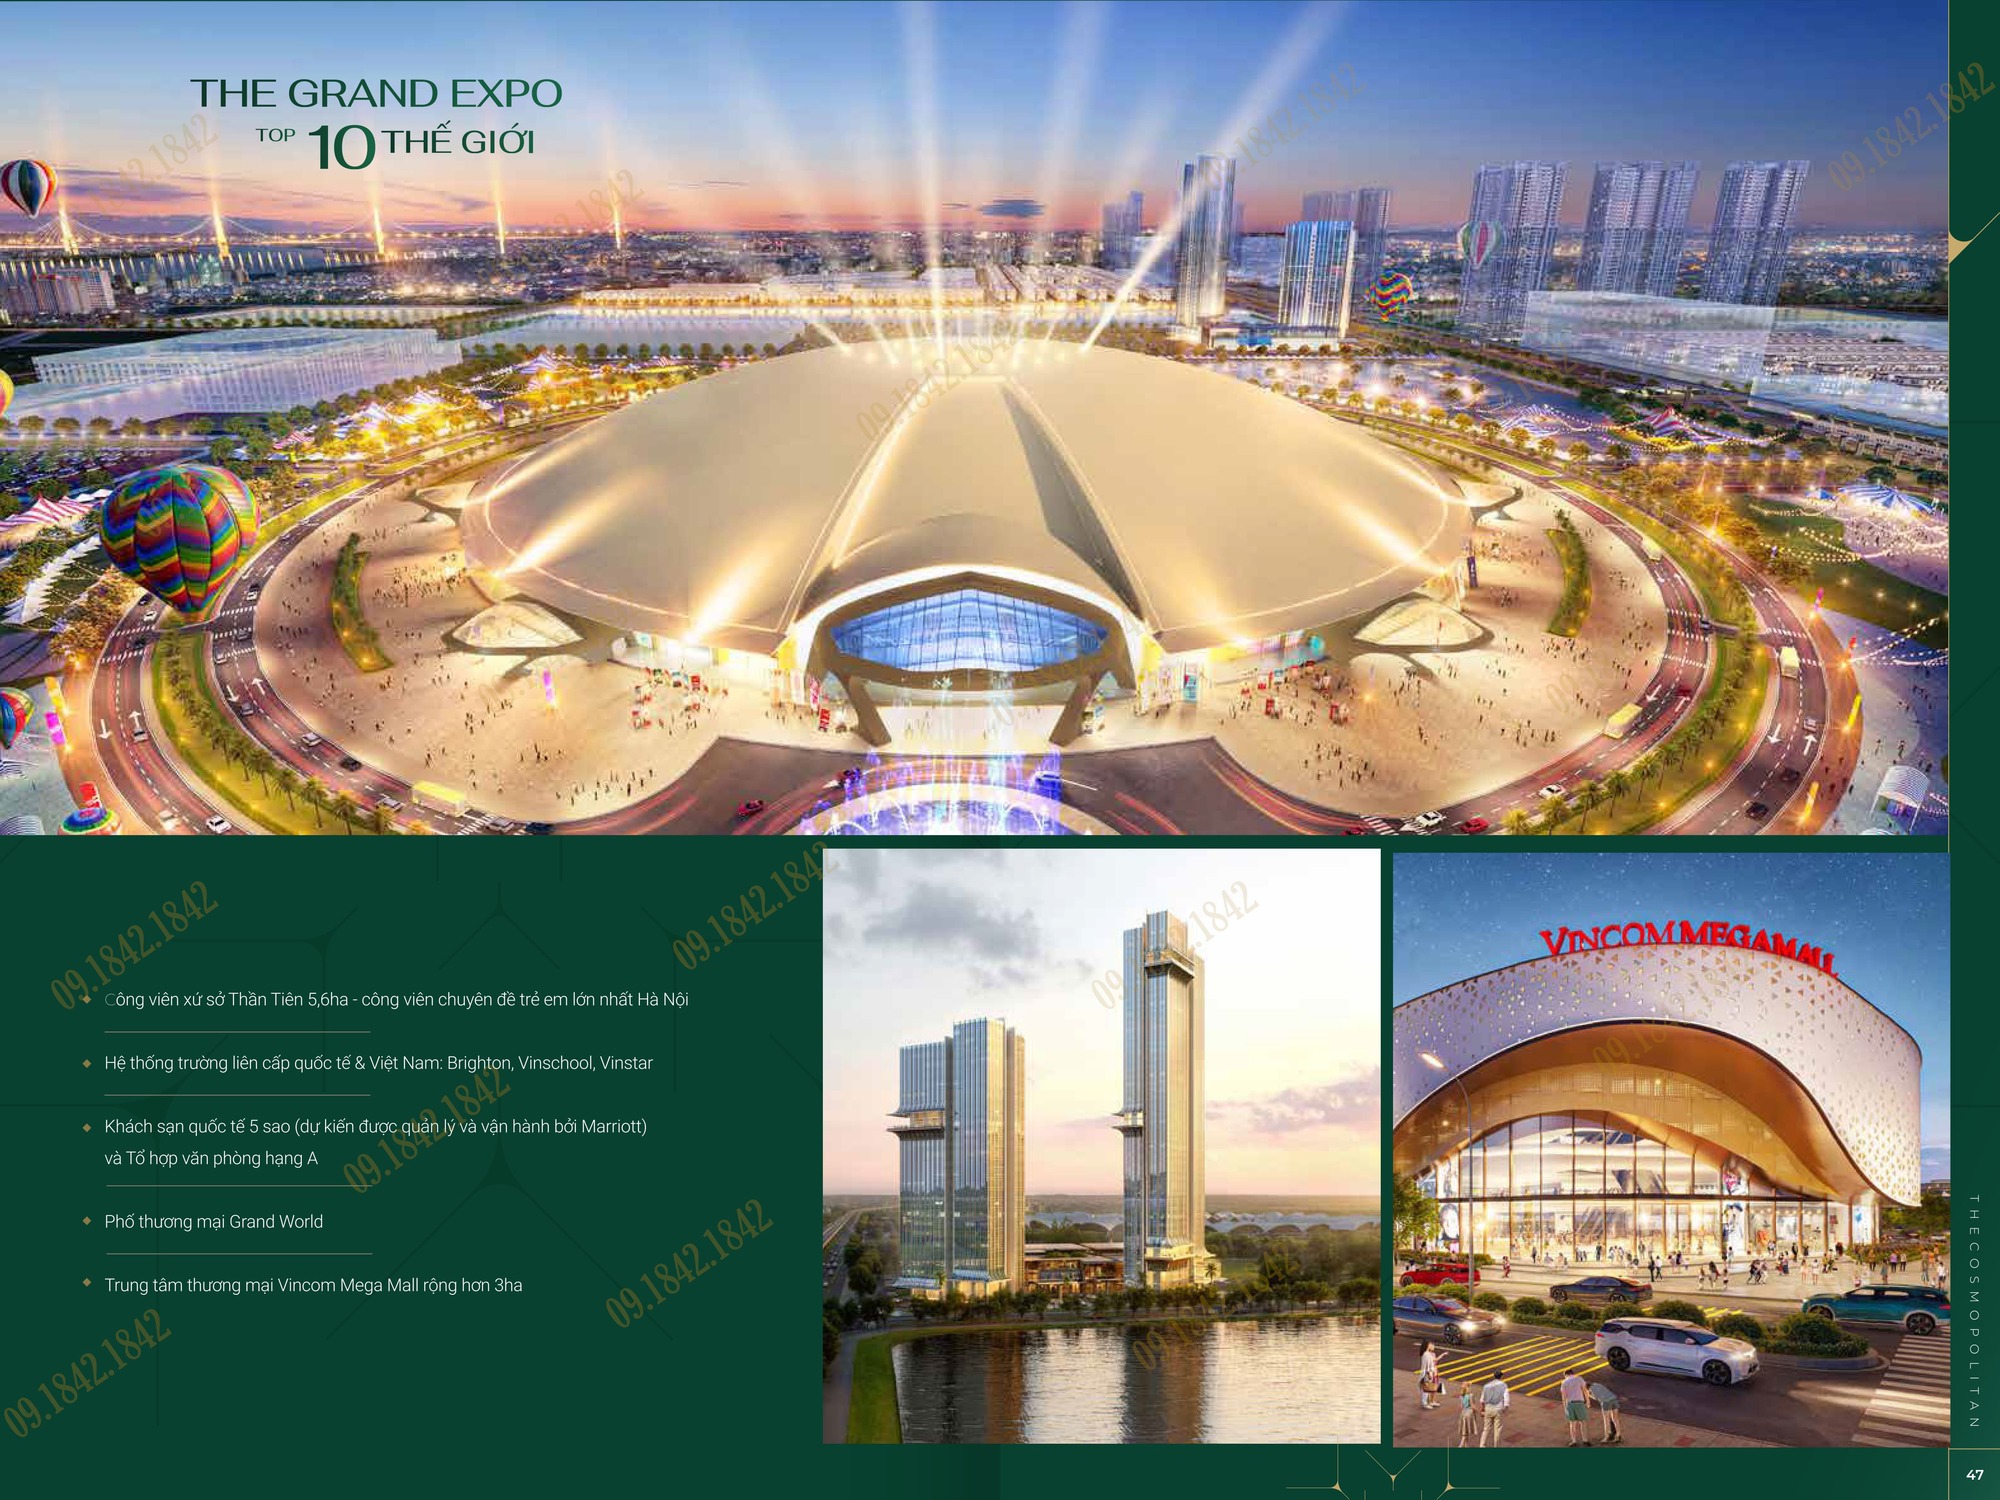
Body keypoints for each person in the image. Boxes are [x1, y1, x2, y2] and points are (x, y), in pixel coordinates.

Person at [1559, 1369, 1592, 1447]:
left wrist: (1565, 1407)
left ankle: (1574, 1441)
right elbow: (1585, 1390)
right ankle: (1585, 1440)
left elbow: (1564, 1396)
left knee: (1572, 1424)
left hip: (1570, 1404)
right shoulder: (1579, 1378)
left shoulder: (1564, 1382)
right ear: (1572, 1373)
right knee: (1582, 1422)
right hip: (1579, 1403)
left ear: (1566, 1375)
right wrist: (1588, 1401)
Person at [1479, 1369, 1510, 1447]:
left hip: (1488, 1408)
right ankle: (1496, 1446)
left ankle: (1482, 1445)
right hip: (1498, 1409)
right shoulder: (1504, 1386)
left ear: (1494, 1376)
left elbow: (1482, 1400)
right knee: (1497, 1430)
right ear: (1501, 1376)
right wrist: (1505, 1409)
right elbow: (1506, 1399)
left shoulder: (1487, 1386)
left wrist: (1482, 1409)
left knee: (1486, 1428)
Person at [1589, 1377, 1623, 1443]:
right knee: (1615, 1419)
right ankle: (1618, 1435)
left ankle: (1607, 1437)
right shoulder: (1597, 1384)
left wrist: (1589, 1395)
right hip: (1614, 1399)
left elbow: (1596, 1398)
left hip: (1606, 1402)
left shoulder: (1591, 1389)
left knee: (1606, 1420)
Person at [1458, 1379, 1480, 1447]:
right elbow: (1473, 1406)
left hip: (1463, 1413)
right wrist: (1479, 1412)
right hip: (1469, 1414)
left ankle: (1466, 1446)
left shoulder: (1461, 1396)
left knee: (1465, 1432)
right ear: (1468, 1387)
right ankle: (1460, 1446)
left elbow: (1461, 1406)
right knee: (1465, 1434)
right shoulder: (1470, 1395)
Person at [1419, 1342, 1440, 1410]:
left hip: (1429, 1373)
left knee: (1428, 1388)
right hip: (1427, 1373)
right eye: (1431, 1344)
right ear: (1427, 1345)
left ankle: (1429, 1402)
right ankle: (1425, 1403)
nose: (1432, 1346)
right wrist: (1429, 1372)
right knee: (1426, 1389)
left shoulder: (1427, 1354)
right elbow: (1427, 1365)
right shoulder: (1426, 1354)